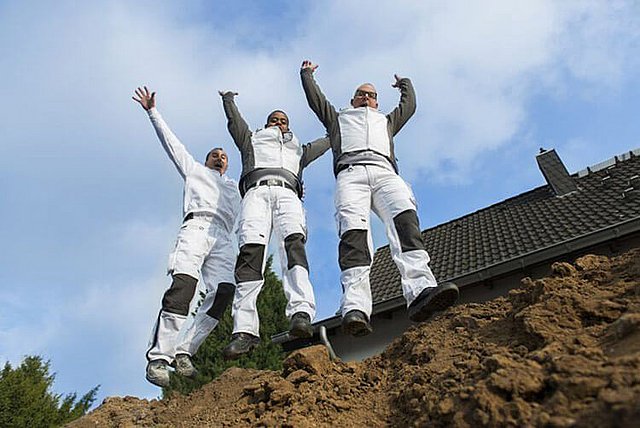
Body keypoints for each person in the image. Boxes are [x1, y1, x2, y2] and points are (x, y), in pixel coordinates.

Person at [299, 60, 459, 337]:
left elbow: (408, 107)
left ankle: (421, 290)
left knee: (406, 223)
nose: (366, 97)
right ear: (353, 99)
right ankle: (355, 307)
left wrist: (405, 85)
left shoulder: (386, 121)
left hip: (385, 172)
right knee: (354, 236)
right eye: (361, 93)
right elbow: (316, 101)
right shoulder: (338, 118)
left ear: (376, 102)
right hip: (351, 174)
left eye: (372, 95)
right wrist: (307, 75)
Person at [133, 87, 241, 387]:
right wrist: (153, 112)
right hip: (195, 229)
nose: (219, 158)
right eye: (214, 155)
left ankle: (185, 351)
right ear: (206, 160)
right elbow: (172, 144)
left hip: (223, 237)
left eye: (223, 156)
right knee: (184, 286)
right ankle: (158, 358)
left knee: (223, 292)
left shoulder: (234, 188)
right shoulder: (194, 171)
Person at [218, 90, 330, 359]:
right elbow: (236, 124)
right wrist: (229, 101)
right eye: (274, 120)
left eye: (283, 121)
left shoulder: (299, 149)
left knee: (294, 247)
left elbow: (331, 139)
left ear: (288, 126)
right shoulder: (252, 140)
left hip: (288, 194)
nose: (279, 123)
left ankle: (301, 312)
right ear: (266, 124)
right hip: (256, 193)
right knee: (250, 254)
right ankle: (244, 331)